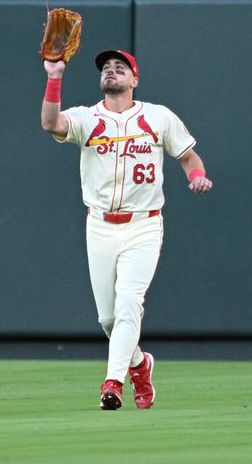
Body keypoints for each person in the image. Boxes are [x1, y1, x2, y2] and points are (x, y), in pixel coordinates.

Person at [40, 49, 212, 410]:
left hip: (143, 225)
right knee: (108, 318)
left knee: (130, 303)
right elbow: (51, 124)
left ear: (134, 79)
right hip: (100, 226)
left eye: (120, 67)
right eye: (106, 67)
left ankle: (112, 383)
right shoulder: (87, 118)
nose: (111, 71)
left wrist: (197, 176)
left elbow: (188, 156)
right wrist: (54, 77)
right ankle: (139, 364)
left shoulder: (158, 117)